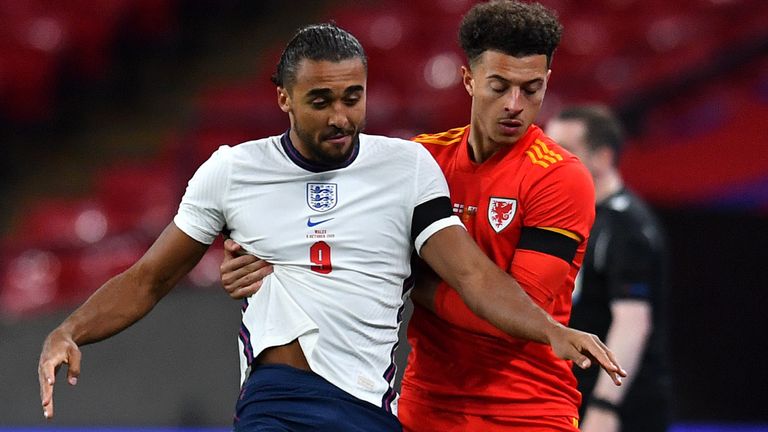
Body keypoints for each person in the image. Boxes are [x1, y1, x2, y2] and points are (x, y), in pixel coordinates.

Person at [37, 23, 624, 432]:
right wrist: (70, 330)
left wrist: (549, 328)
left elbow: (471, 274)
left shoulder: (405, 166)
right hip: (276, 399)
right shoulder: (232, 170)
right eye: (320, 100)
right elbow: (148, 279)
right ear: (284, 99)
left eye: (353, 97)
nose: (341, 116)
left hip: (368, 407)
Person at [219, 2, 619, 431]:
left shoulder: (560, 177)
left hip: (527, 410)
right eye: (499, 86)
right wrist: (259, 259)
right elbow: (330, 240)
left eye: (532, 89)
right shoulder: (420, 162)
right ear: (468, 79)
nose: (515, 105)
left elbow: (520, 316)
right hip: (424, 409)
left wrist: (404, 281)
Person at [546, 105, 672, 432]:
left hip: (622, 407)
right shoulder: (574, 216)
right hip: (574, 395)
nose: (550, 159)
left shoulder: (627, 227)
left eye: (565, 150)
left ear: (601, 157)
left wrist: (605, 405)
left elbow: (633, 323)